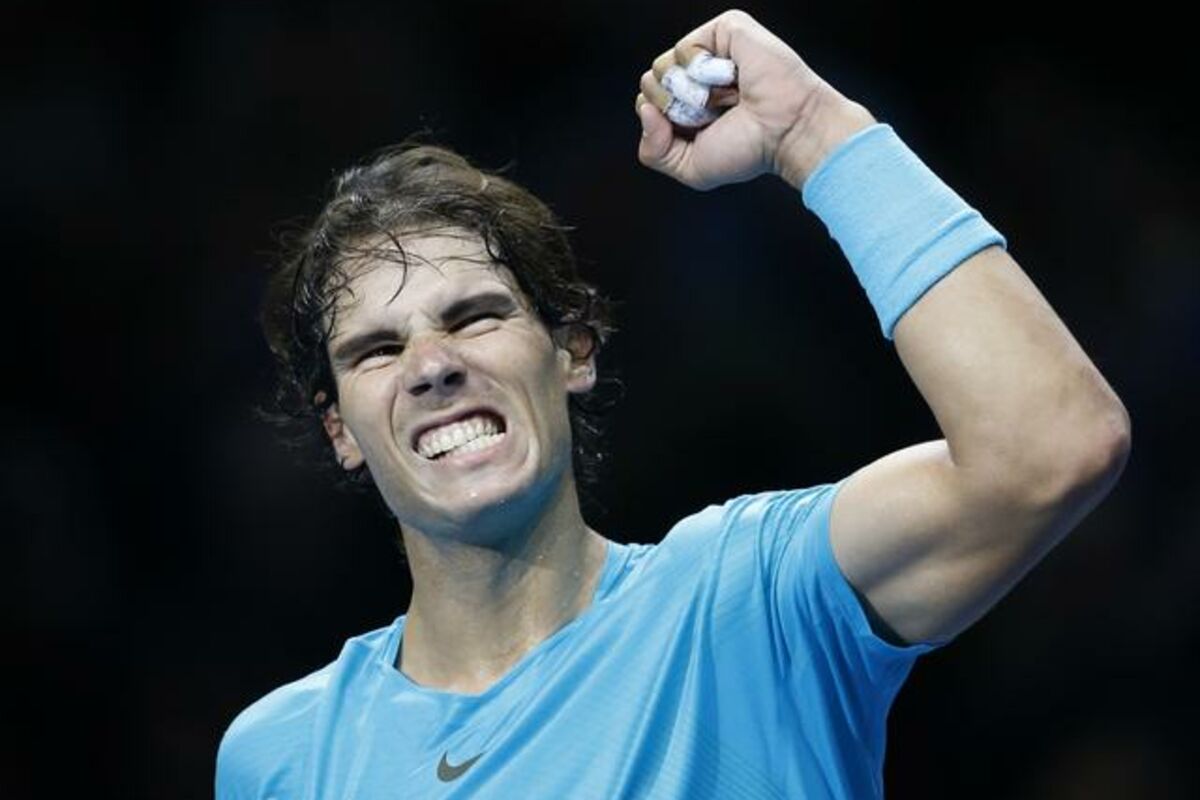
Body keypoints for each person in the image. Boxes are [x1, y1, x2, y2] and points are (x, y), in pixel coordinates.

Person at [216, 9, 1131, 798]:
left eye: (475, 316)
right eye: (377, 350)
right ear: (339, 428)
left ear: (573, 350)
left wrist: (814, 132)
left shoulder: (750, 600)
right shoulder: (280, 757)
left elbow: (1053, 447)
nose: (431, 366)